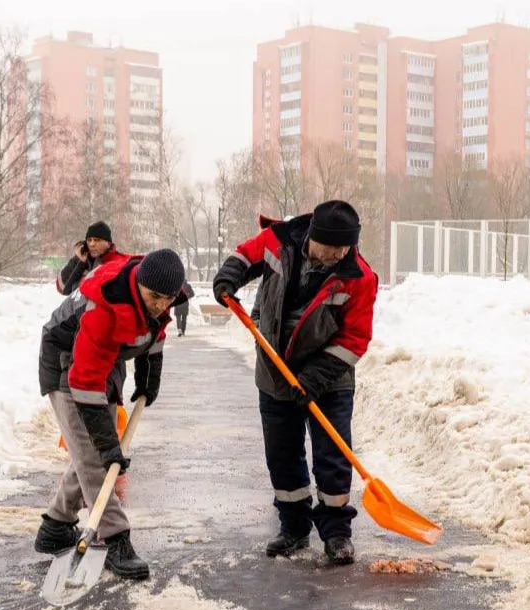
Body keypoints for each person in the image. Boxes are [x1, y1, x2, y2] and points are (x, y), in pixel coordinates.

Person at [211, 200, 378, 565]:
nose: (335, 255)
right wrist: (227, 278)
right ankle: (293, 527)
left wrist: (314, 378)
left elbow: (355, 339)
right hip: (275, 366)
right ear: (313, 237)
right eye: (329, 247)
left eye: (342, 249)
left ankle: (336, 533)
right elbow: (244, 257)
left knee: (332, 456)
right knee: (282, 453)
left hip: (328, 376)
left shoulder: (359, 277)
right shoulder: (279, 240)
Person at [35, 248, 190, 581]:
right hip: (66, 361)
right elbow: (83, 380)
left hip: (106, 362)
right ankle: (115, 538)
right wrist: (108, 449)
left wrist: (150, 379)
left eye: (169, 298)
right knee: (95, 453)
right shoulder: (107, 306)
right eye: (155, 297)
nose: (162, 305)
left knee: (89, 452)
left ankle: (56, 526)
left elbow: (156, 334)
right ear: (139, 286)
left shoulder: (159, 298)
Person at [56, 221, 123, 295]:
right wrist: (78, 261)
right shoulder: (84, 262)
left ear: (108, 243)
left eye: (97, 240)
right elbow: (62, 288)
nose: (92, 244)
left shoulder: (117, 263)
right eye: (89, 240)